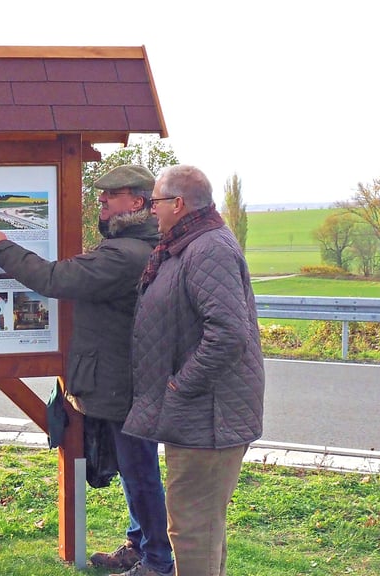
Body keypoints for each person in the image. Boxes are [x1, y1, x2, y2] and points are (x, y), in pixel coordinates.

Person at [0, 165, 174, 576]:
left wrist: (2, 247)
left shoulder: (125, 255)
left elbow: (53, 278)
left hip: (122, 383)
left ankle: (157, 561)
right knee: (134, 468)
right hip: (123, 379)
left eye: (109, 196)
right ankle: (139, 546)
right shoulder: (139, 248)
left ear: (137, 202)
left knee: (138, 471)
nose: (100, 201)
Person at [126, 165, 265, 575]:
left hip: (209, 418)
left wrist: (179, 386)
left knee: (192, 531)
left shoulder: (208, 249)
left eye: (156, 202)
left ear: (178, 203)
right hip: (199, 416)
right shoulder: (187, 244)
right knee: (199, 528)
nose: (153, 211)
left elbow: (227, 334)